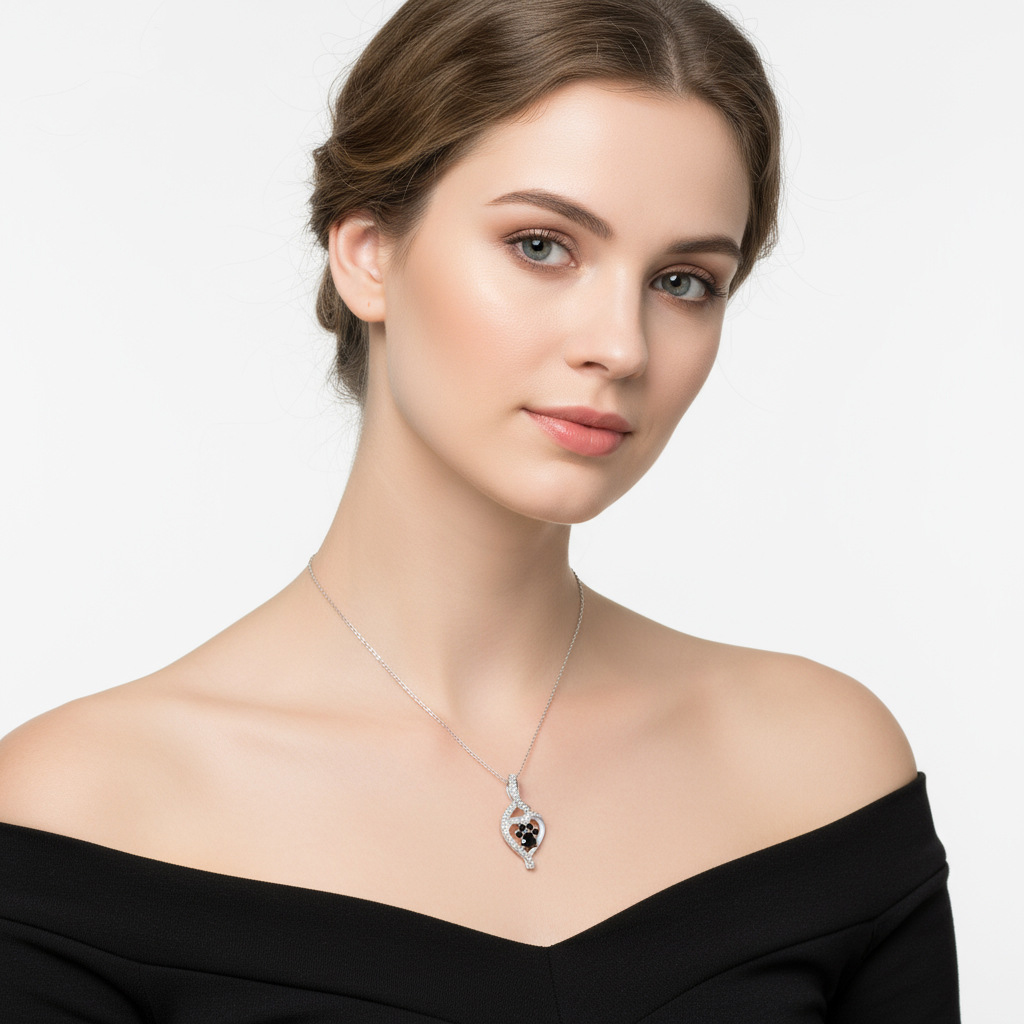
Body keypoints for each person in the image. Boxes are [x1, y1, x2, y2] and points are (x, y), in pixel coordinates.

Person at [0, 0, 959, 1019]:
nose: (620, 345)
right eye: (542, 245)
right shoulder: (83, 812)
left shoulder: (819, 768)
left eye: (684, 281)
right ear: (367, 253)